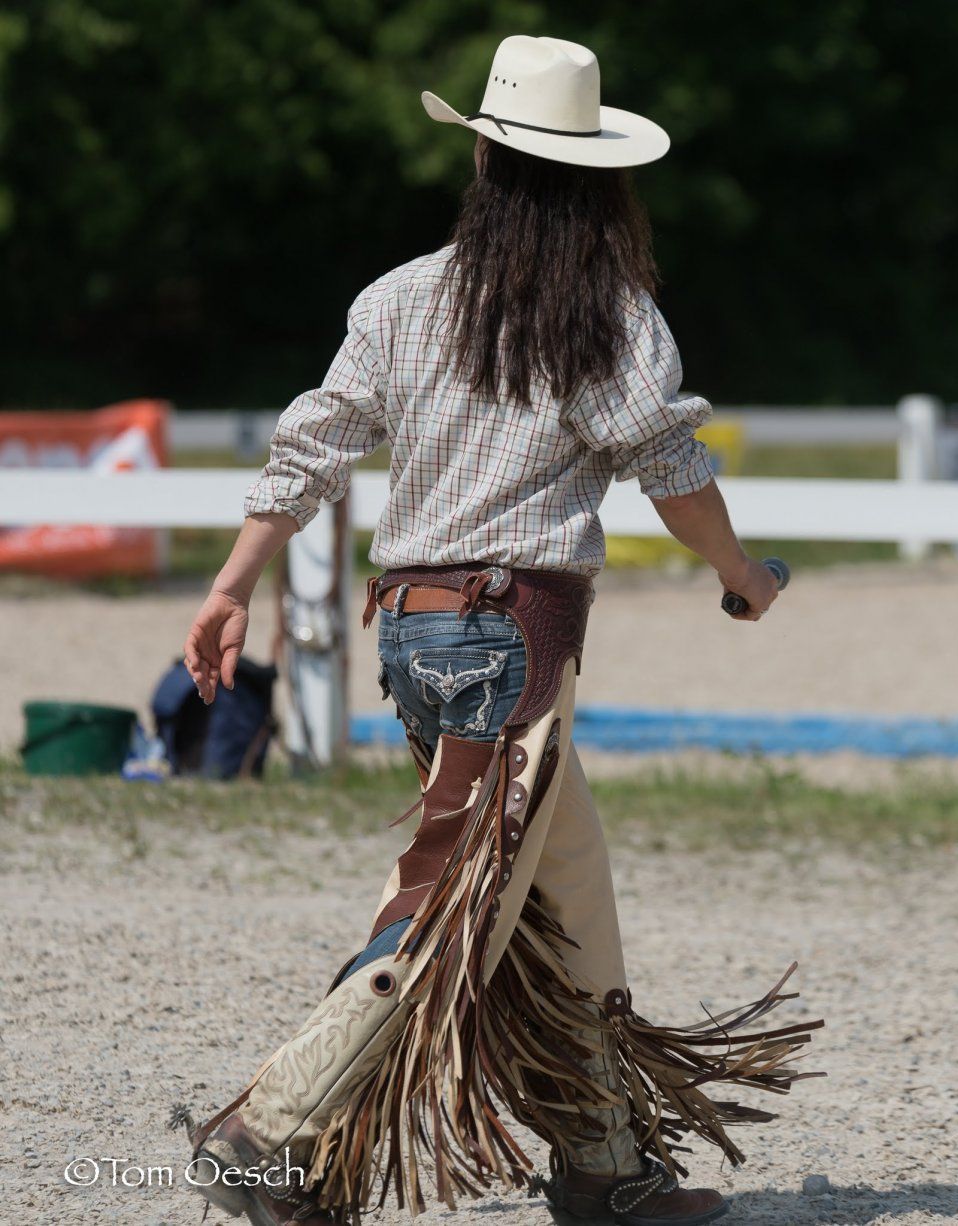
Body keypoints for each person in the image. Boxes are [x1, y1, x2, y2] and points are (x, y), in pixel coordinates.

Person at [180, 35, 822, 1226]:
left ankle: (602, 1163)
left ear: (481, 156)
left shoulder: (399, 296)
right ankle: (269, 1129)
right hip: (513, 643)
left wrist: (229, 586)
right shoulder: (607, 316)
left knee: (564, 891)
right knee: (451, 900)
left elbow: (310, 446)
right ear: (600, 178)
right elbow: (671, 469)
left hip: (415, 634)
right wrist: (741, 573)